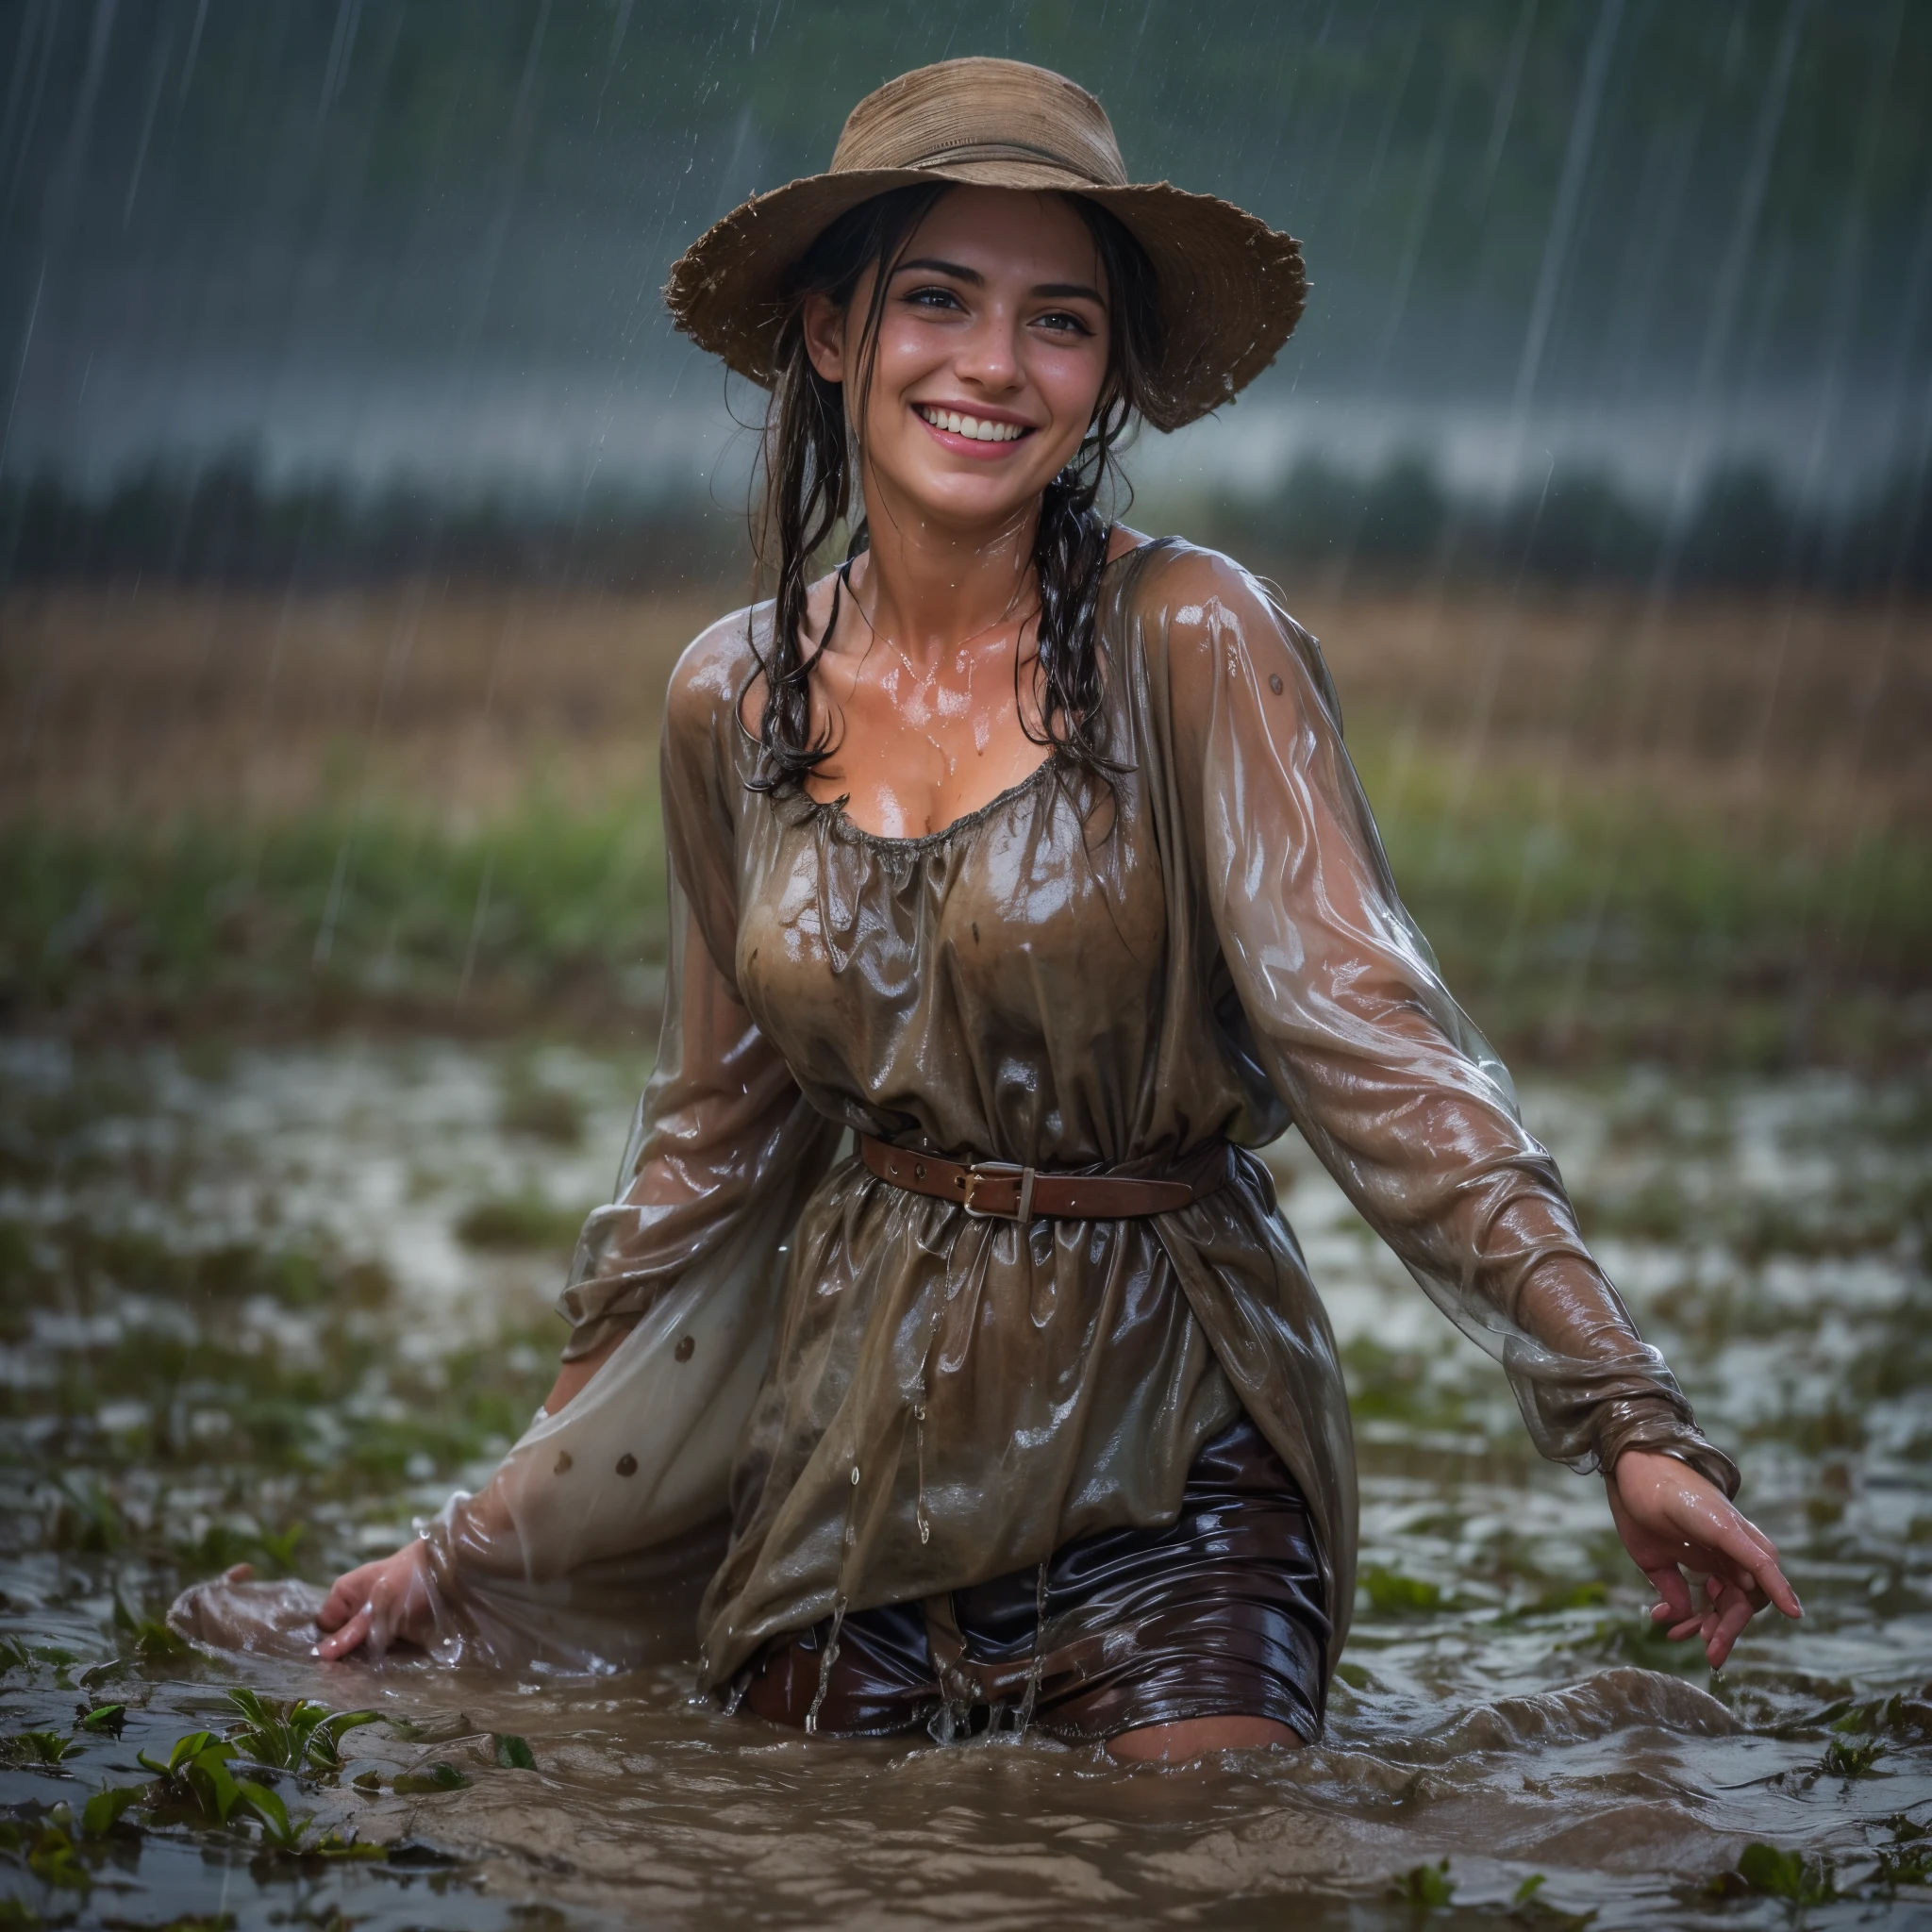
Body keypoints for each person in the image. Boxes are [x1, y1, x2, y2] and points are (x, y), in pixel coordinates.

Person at [311, 58, 1799, 1761]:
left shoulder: (1195, 640)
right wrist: (486, 1535)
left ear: (1106, 381)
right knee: (800, 1862)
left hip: (1180, 1436)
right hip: (849, 1453)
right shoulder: (728, 698)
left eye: (1060, 322)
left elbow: (1375, 1046)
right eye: (938, 298)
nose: (995, 368)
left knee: (1200, 1869)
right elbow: (705, 1158)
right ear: (828, 331)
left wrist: (1623, 1412)